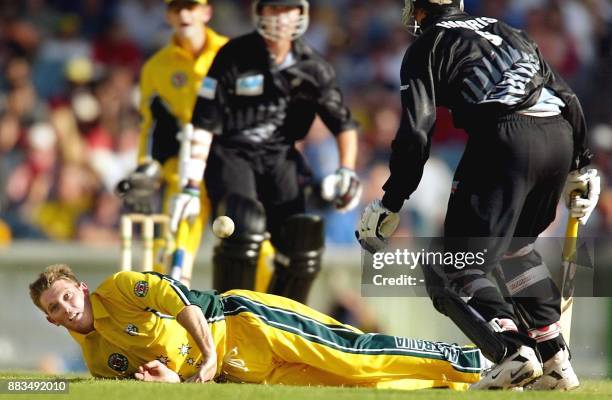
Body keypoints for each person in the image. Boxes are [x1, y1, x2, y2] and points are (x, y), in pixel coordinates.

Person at [355, 0, 600, 391]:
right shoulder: (509, 31)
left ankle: (512, 351)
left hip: (505, 137)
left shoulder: (427, 44)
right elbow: (567, 98)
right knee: (516, 251)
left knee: (450, 263)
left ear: (417, 9)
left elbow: (417, 132)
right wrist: (583, 164)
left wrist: (392, 200)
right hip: (559, 136)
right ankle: (554, 358)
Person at [29, 264, 483, 389]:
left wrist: (206, 355)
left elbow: (184, 302)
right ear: (49, 320)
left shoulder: (122, 288)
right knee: (357, 385)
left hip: (244, 323)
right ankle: (464, 387)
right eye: (55, 307)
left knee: (354, 355)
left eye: (67, 295)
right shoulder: (95, 361)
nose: (65, 307)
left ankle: (475, 361)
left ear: (83, 289)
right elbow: (165, 377)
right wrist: (174, 382)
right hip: (240, 370)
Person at [181, 0, 362, 302]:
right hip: (232, 153)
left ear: (301, 14)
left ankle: (279, 321)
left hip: (280, 156)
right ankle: (232, 316)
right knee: (242, 223)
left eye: (287, 9)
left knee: (302, 237)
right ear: (259, 12)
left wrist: (347, 170)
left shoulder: (313, 67)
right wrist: (189, 185)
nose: (280, 17)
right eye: (273, 9)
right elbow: (203, 122)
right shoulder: (233, 55)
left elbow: (344, 124)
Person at [123, 0, 227, 285]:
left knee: (246, 238)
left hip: (229, 162)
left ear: (206, 12)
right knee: (172, 246)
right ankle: (172, 302)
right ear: (168, 15)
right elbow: (150, 124)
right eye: (177, 8)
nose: (184, 14)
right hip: (182, 167)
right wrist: (145, 167)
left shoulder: (231, 54)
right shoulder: (156, 67)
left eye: (191, 7)